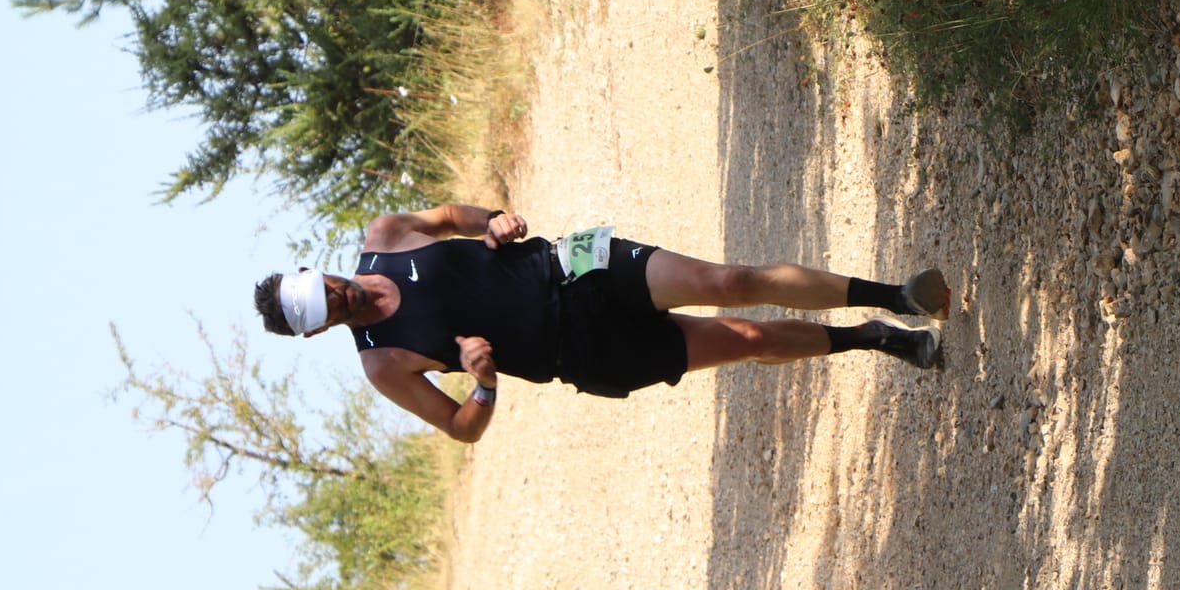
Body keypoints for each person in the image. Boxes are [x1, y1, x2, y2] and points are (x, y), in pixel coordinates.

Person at [252, 202, 950, 443]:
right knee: (747, 337)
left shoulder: (387, 233)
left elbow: (452, 218)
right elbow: (462, 428)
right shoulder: (383, 364)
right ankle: (875, 339)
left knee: (725, 280)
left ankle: (896, 294)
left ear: (320, 270)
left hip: (572, 267)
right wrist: (485, 385)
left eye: (331, 288)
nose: (344, 298)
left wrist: (492, 220)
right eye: (330, 311)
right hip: (581, 352)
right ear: (317, 331)